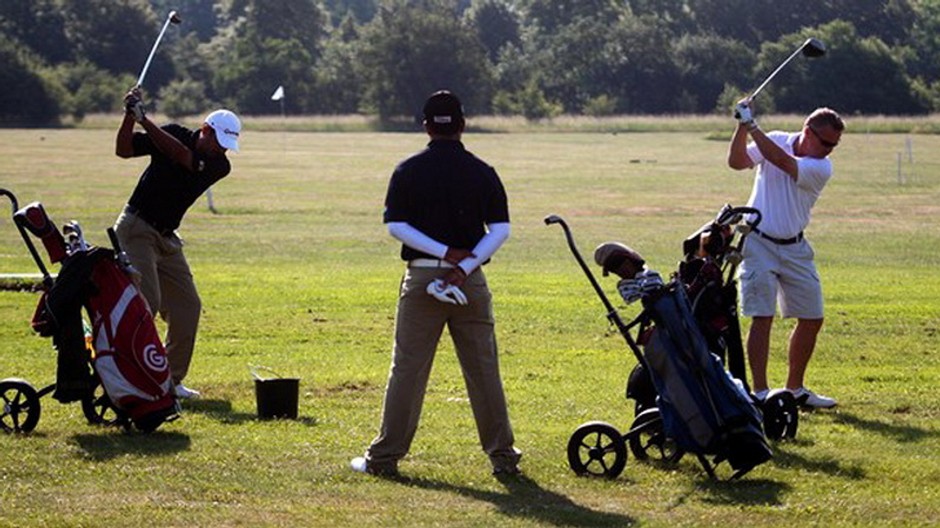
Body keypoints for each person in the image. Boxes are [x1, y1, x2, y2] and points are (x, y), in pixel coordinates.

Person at [351, 90, 521, 477]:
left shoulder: (408, 170)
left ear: (426, 126)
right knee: (484, 371)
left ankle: (383, 459)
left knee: (407, 371)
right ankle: (503, 457)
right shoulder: (483, 171)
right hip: (470, 282)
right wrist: (465, 264)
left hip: (423, 278)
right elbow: (501, 230)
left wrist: (445, 253)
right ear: (463, 124)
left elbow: (396, 226)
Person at [113, 87, 241, 400]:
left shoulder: (218, 166)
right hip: (136, 229)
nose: (222, 151)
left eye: (227, 146)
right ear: (205, 129)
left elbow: (183, 157)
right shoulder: (170, 133)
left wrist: (145, 121)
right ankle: (130, 375)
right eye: (219, 142)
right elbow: (123, 150)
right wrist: (130, 117)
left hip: (167, 238)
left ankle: (168, 381)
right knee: (147, 301)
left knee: (187, 306)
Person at [728, 99, 844, 409]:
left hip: (795, 248)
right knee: (762, 316)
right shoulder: (776, 138)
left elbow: (781, 161)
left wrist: (752, 125)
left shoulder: (821, 167)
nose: (829, 150)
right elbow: (737, 162)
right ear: (808, 131)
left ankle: (795, 390)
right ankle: (761, 392)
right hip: (757, 242)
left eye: (834, 145)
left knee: (812, 317)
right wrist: (742, 127)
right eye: (825, 142)